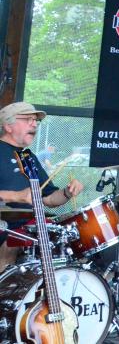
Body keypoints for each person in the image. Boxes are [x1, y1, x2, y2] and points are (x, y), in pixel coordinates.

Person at [0, 102, 83, 269]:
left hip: (29, 227)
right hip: (6, 227)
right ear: (8, 126)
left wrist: (67, 192)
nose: (34, 124)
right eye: (28, 119)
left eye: (35, 121)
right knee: (11, 243)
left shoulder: (28, 156)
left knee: (72, 242)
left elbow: (49, 199)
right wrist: (17, 196)